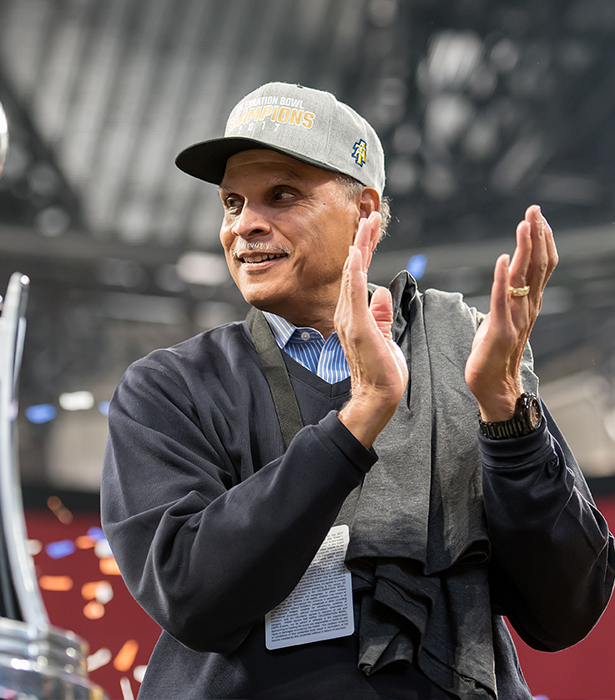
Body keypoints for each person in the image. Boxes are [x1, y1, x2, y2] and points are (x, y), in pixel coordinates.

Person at [100, 82, 615, 699]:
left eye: (281, 195)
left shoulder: (469, 356)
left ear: (366, 210)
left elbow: (566, 611)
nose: (246, 226)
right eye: (232, 202)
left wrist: (506, 412)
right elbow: (192, 594)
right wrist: (361, 415)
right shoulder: (169, 388)